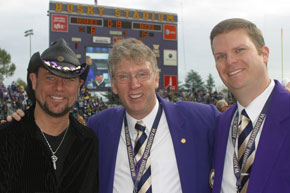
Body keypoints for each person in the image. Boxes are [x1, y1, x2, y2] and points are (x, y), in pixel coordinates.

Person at [87, 38, 219, 193]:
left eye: (142, 74)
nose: (134, 85)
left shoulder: (201, 119)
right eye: (123, 76)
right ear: (114, 85)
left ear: (156, 78)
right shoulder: (99, 127)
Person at [0, 38, 98, 192]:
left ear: (79, 86)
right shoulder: (6, 138)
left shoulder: (89, 143)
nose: (59, 87)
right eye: (50, 77)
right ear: (34, 80)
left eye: (68, 79)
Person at [210, 18, 290, 193]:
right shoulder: (223, 123)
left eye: (239, 50)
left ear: (264, 54)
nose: (230, 61)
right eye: (220, 56)